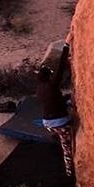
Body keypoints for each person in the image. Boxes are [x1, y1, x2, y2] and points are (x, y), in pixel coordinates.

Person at [36, 43, 75, 179]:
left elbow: (53, 101)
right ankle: (70, 173)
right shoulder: (52, 85)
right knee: (67, 148)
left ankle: (56, 137)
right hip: (60, 123)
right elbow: (61, 67)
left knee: (67, 102)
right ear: (49, 77)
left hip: (47, 123)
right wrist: (66, 47)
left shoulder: (39, 89)